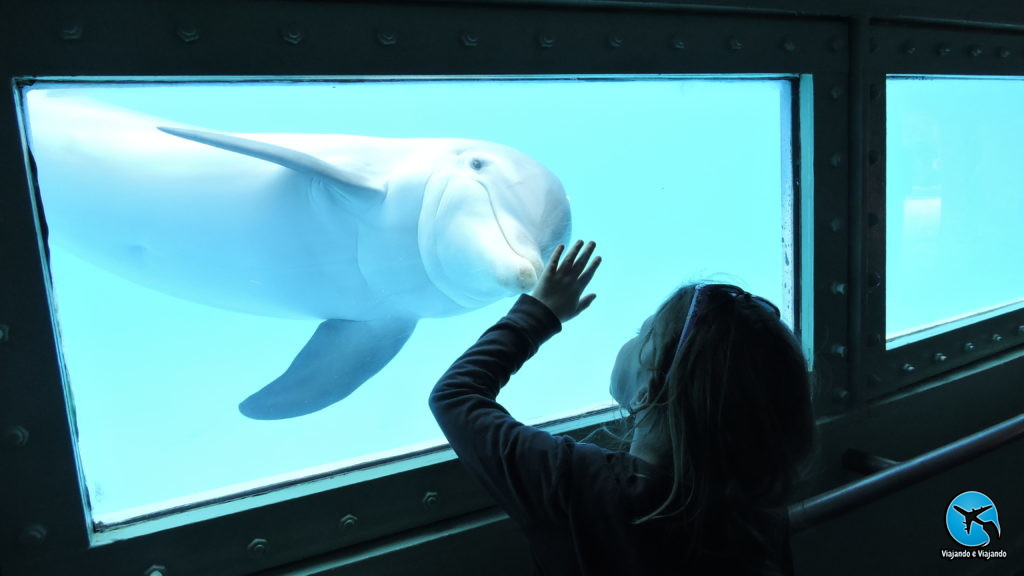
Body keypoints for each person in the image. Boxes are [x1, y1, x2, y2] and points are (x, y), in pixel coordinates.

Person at [429, 240, 816, 575]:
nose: (629, 340)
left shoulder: (574, 483)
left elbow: (455, 396)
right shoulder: (756, 508)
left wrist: (538, 313)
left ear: (647, 391)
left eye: (641, 335)